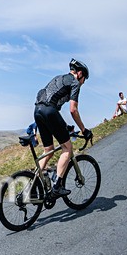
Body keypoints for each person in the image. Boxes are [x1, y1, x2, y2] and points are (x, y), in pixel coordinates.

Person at [33, 58, 93, 197]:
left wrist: (65, 126)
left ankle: (33, 185)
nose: (83, 82)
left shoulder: (58, 78)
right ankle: (57, 186)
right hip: (49, 111)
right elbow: (73, 110)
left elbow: (50, 102)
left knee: (48, 150)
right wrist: (84, 130)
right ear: (79, 73)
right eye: (84, 79)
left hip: (37, 110)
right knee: (67, 148)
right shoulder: (75, 83)